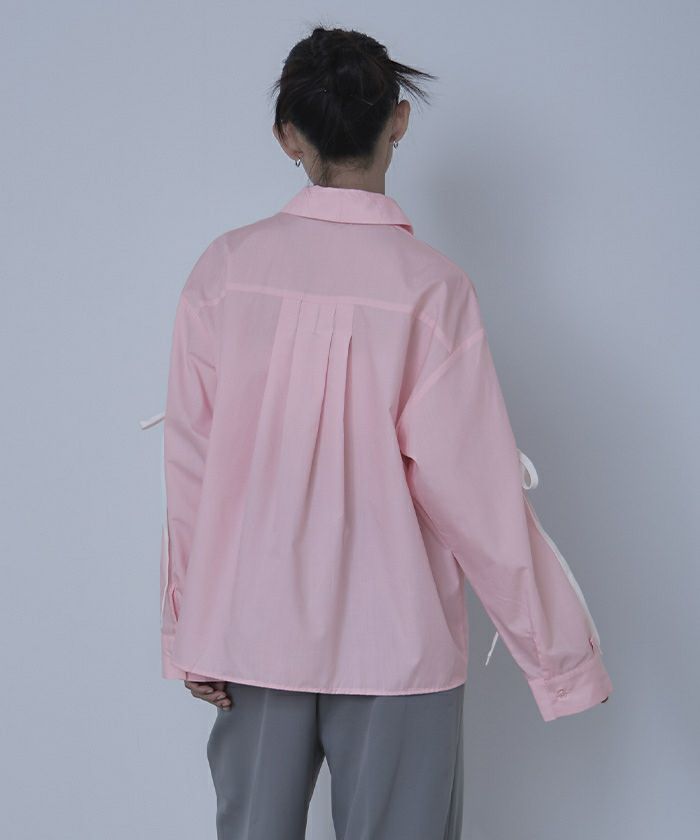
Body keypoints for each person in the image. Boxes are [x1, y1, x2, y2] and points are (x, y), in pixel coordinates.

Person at [146, 24, 612, 840]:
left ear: (288, 137)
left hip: (248, 635)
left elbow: (192, 465)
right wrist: (562, 661)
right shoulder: (432, 290)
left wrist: (191, 627)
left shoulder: (225, 271)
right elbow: (479, 496)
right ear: (398, 120)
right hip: (397, 646)